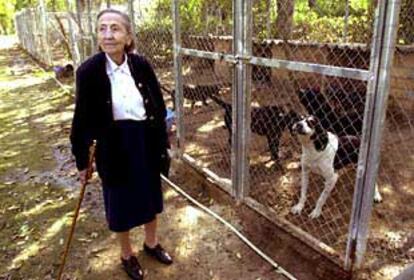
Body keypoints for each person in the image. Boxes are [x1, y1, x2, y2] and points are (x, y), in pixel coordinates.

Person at [70, 8, 172, 280]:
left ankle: (151, 244)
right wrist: (82, 160)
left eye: (115, 28)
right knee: (120, 202)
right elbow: (80, 121)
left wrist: (162, 142)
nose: (108, 34)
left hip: (145, 140)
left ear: (128, 37)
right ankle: (127, 254)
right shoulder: (88, 72)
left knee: (151, 195)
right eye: (103, 28)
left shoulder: (141, 65)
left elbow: (158, 106)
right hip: (114, 145)